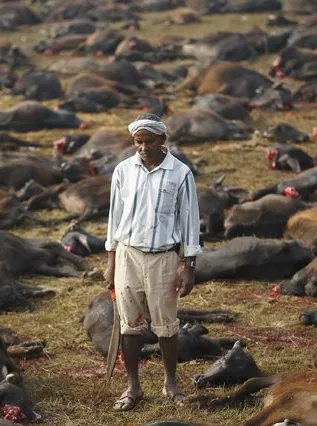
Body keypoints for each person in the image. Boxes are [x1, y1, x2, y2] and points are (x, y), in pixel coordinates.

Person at [104, 113, 201, 412]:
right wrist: (111, 261)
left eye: (149, 141)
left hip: (163, 257)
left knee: (166, 325)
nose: (143, 147)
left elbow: (190, 221)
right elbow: (114, 218)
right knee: (129, 324)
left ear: (162, 140)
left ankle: (170, 383)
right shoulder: (123, 170)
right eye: (138, 141)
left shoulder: (180, 173)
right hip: (128, 255)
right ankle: (133, 385)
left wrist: (189, 266)